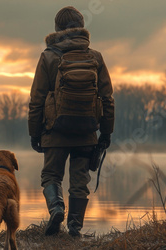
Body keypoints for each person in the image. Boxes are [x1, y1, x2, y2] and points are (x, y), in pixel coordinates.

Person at [28, 6, 115, 237]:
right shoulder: (95, 57)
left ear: (57, 30)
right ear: (82, 28)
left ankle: (56, 208)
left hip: (54, 131)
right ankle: (75, 228)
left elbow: (36, 100)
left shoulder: (48, 56)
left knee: (51, 176)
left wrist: (34, 133)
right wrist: (106, 133)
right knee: (79, 182)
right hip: (86, 133)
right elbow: (107, 99)